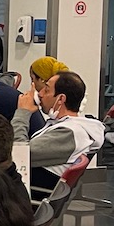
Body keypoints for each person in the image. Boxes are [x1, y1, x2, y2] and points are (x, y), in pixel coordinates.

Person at [12, 70, 106, 198]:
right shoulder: (71, 126)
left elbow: (19, 155)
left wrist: (22, 113)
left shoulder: (69, 133)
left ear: (61, 99)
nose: (40, 94)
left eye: (46, 90)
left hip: (22, 197)